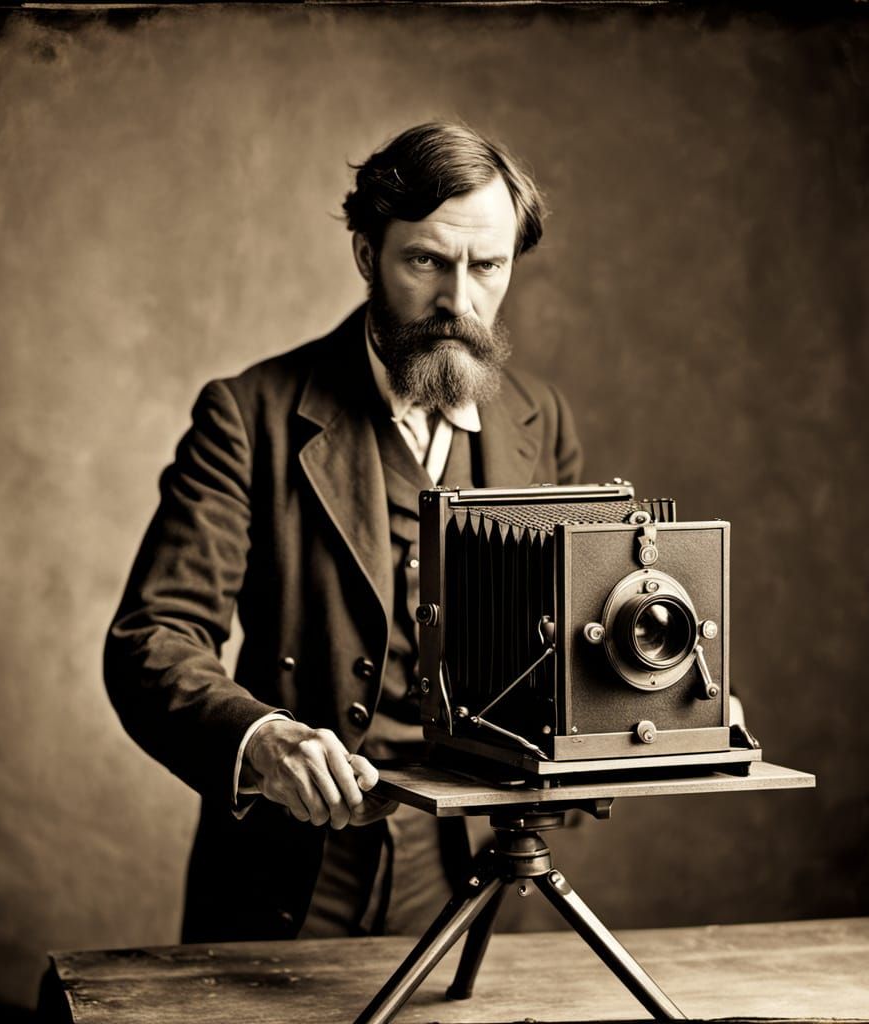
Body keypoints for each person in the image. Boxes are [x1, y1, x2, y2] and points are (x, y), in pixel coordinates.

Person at [104, 122, 583, 944]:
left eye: (488, 266)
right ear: (367, 255)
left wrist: (654, 699)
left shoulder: (542, 422)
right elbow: (152, 640)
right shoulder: (246, 416)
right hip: (286, 872)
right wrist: (263, 740)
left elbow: (573, 635)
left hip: (463, 862)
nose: (458, 303)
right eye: (425, 261)